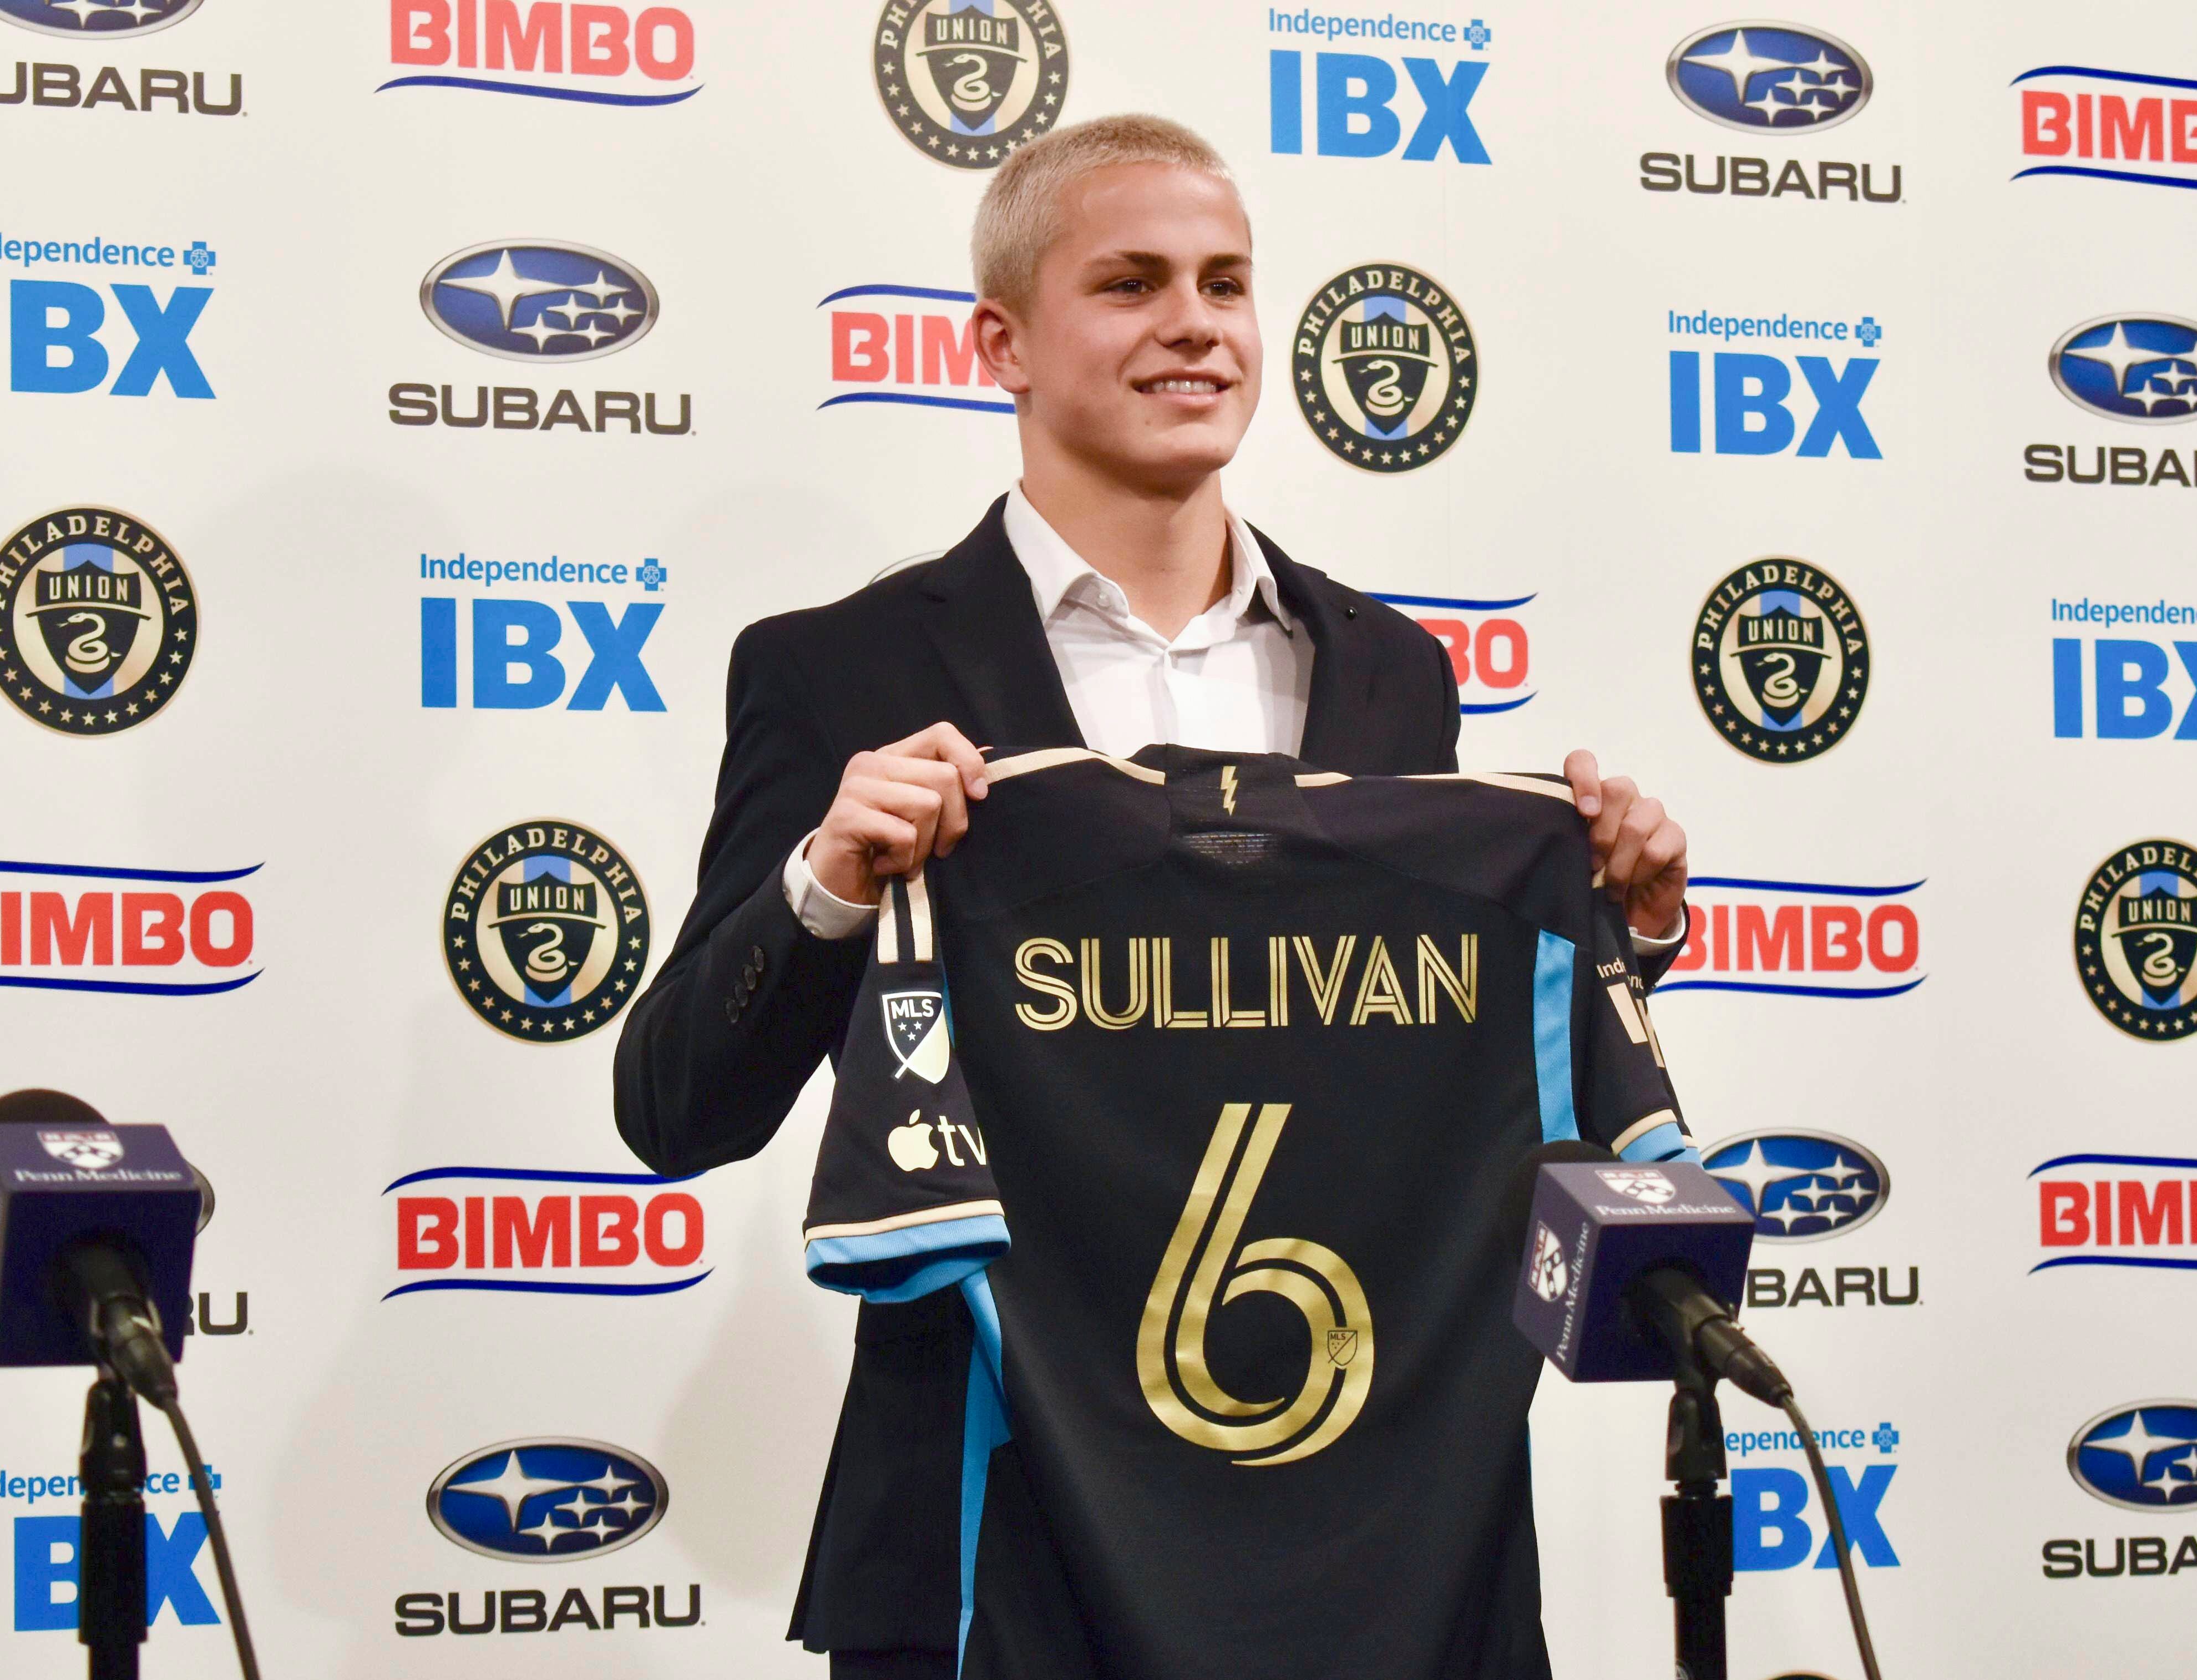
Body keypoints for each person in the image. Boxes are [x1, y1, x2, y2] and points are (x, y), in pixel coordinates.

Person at [612, 114, 1691, 1678]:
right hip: (1001, 1541)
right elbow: (675, 1109)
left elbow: (1430, 1074)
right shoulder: (841, 669)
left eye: (1226, 283)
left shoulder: (1394, 671)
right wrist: (826, 884)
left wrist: (1620, 928)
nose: (1195, 323)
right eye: (1131, 283)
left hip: (1378, 1526)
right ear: (1003, 344)